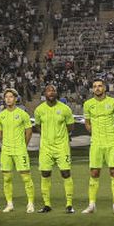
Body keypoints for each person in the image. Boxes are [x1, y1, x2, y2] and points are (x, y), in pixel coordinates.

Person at [82, 79, 114, 215]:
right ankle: (91, 205)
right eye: (95, 86)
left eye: (100, 86)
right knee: (94, 173)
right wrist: (93, 132)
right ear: (92, 89)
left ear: (104, 88)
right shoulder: (88, 104)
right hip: (96, 143)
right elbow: (87, 122)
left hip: (111, 142)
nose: (97, 88)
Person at [32, 84, 75, 213]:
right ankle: (47, 205)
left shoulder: (65, 109)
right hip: (46, 147)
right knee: (45, 173)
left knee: (65, 173)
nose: (51, 92)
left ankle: (69, 205)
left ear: (56, 93)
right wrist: (46, 135)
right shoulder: (39, 110)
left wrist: (61, 136)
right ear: (45, 93)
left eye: (53, 90)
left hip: (62, 146)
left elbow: (70, 126)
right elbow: (37, 125)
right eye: (48, 90)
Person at [0, 88, 34, 214]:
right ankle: (9, 204)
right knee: (6, 178)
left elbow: (29, 132)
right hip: (6, 151)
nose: (8, 99)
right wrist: (6, 144)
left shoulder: (23, 114)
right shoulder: (1, 115)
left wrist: (23, 145)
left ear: (16, 99)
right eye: (6, 97)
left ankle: (30, 203)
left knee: (26, 177)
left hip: (20, 150)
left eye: (11, 97)